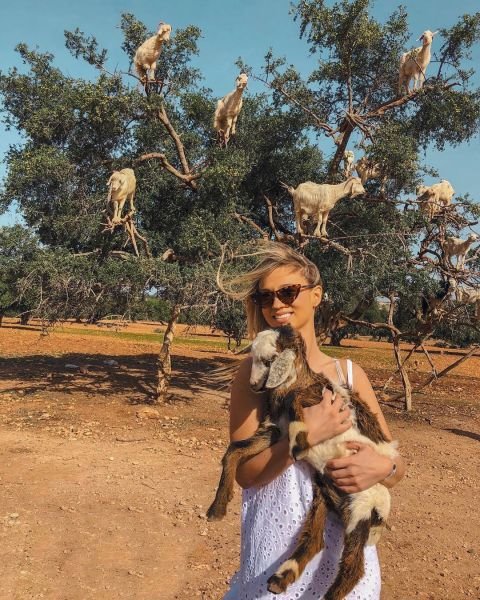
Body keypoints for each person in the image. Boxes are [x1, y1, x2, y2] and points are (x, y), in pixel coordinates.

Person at [220, 241, 405, 600]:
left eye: (288, 292)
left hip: (342, 547)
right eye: (265, 297)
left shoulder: (349, 374)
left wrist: (382, 467)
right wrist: (307, 436)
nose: (276, 305)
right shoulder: (254, 374)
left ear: (316, 295)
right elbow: (244, 473)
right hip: (275, 543)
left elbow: (395, 463)